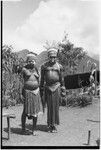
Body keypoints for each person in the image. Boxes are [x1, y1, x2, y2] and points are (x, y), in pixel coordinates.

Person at [40, 48, 66, 133]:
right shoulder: (44, 66)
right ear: (48, 57)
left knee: (55, 106)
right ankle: (49, 124)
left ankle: (54, 125)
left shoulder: (59, 66)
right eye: (51, 57)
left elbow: (62, 79)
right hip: (47, 87)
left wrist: (63, 89)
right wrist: (41, 88)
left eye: (54, 57)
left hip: (56, 87)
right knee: (49, 107)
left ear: (56, 57)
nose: (52, 58)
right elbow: (42, 79)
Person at [19, 52, 42, 135]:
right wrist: (21, 93)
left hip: (36, 92)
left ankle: (34, 129)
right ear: (27, 61)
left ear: (34, 61)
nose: (31, 62)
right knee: (25, 111)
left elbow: (39, 81)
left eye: (33, 61)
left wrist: (39, 90)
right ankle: (23, 129)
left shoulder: (37, 69)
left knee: (35, 112)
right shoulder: (24, 69)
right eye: (30, 61)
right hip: (27, 92)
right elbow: (21, 82)